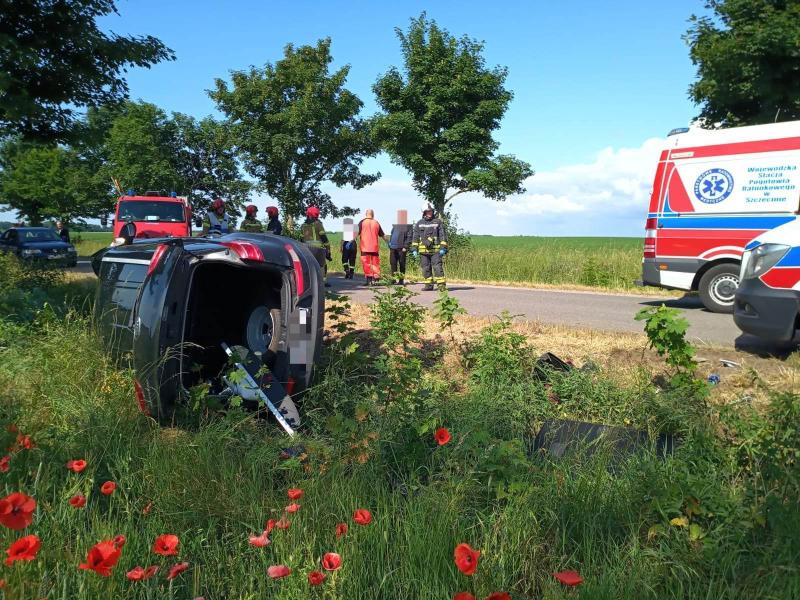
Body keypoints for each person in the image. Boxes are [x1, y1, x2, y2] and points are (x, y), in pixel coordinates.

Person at [412, 203, 448, 291]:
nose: (430, 213)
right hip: (423, 252)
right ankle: (428, 285)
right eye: (428, 211)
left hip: (435, 251)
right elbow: (415, 237)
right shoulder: (419, 223)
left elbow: (443, 235)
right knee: (425, 268)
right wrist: (414, 249)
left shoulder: (438, 222)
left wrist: (443, 247)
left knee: (437, 267)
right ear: (424, 212)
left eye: (431, 211)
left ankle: (441, 285)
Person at [301, 206, 331, 286]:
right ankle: (323, 282)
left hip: (306, 249)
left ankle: (308, 282)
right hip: (318, 249)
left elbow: (301, 238)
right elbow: (323, 237)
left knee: (308, 265)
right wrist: (328, 248)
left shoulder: (303, 225)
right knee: (322, 265)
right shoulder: (318, 224)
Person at [357, 209, 386, 286]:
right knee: (375, 264)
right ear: (373, 214)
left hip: (365, 247)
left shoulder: (362, 222)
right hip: (374, 247)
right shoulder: (376, 223)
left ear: (366, 214)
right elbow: (383, 235)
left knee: (366, 264)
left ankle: (369, 280)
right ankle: (376, 280)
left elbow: (356, 233)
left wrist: (349, 241)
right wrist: (389, 242)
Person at [388, 210, 412, 285]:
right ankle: (393, 279)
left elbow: (409, 237)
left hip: (402, 248)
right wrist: (390, 243)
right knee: (393, 263)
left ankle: (401, 280)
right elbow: (392, 234)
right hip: (393, 247)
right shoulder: (395, 226)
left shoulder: (408, 226)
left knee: (402, 264)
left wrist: (406, 246)